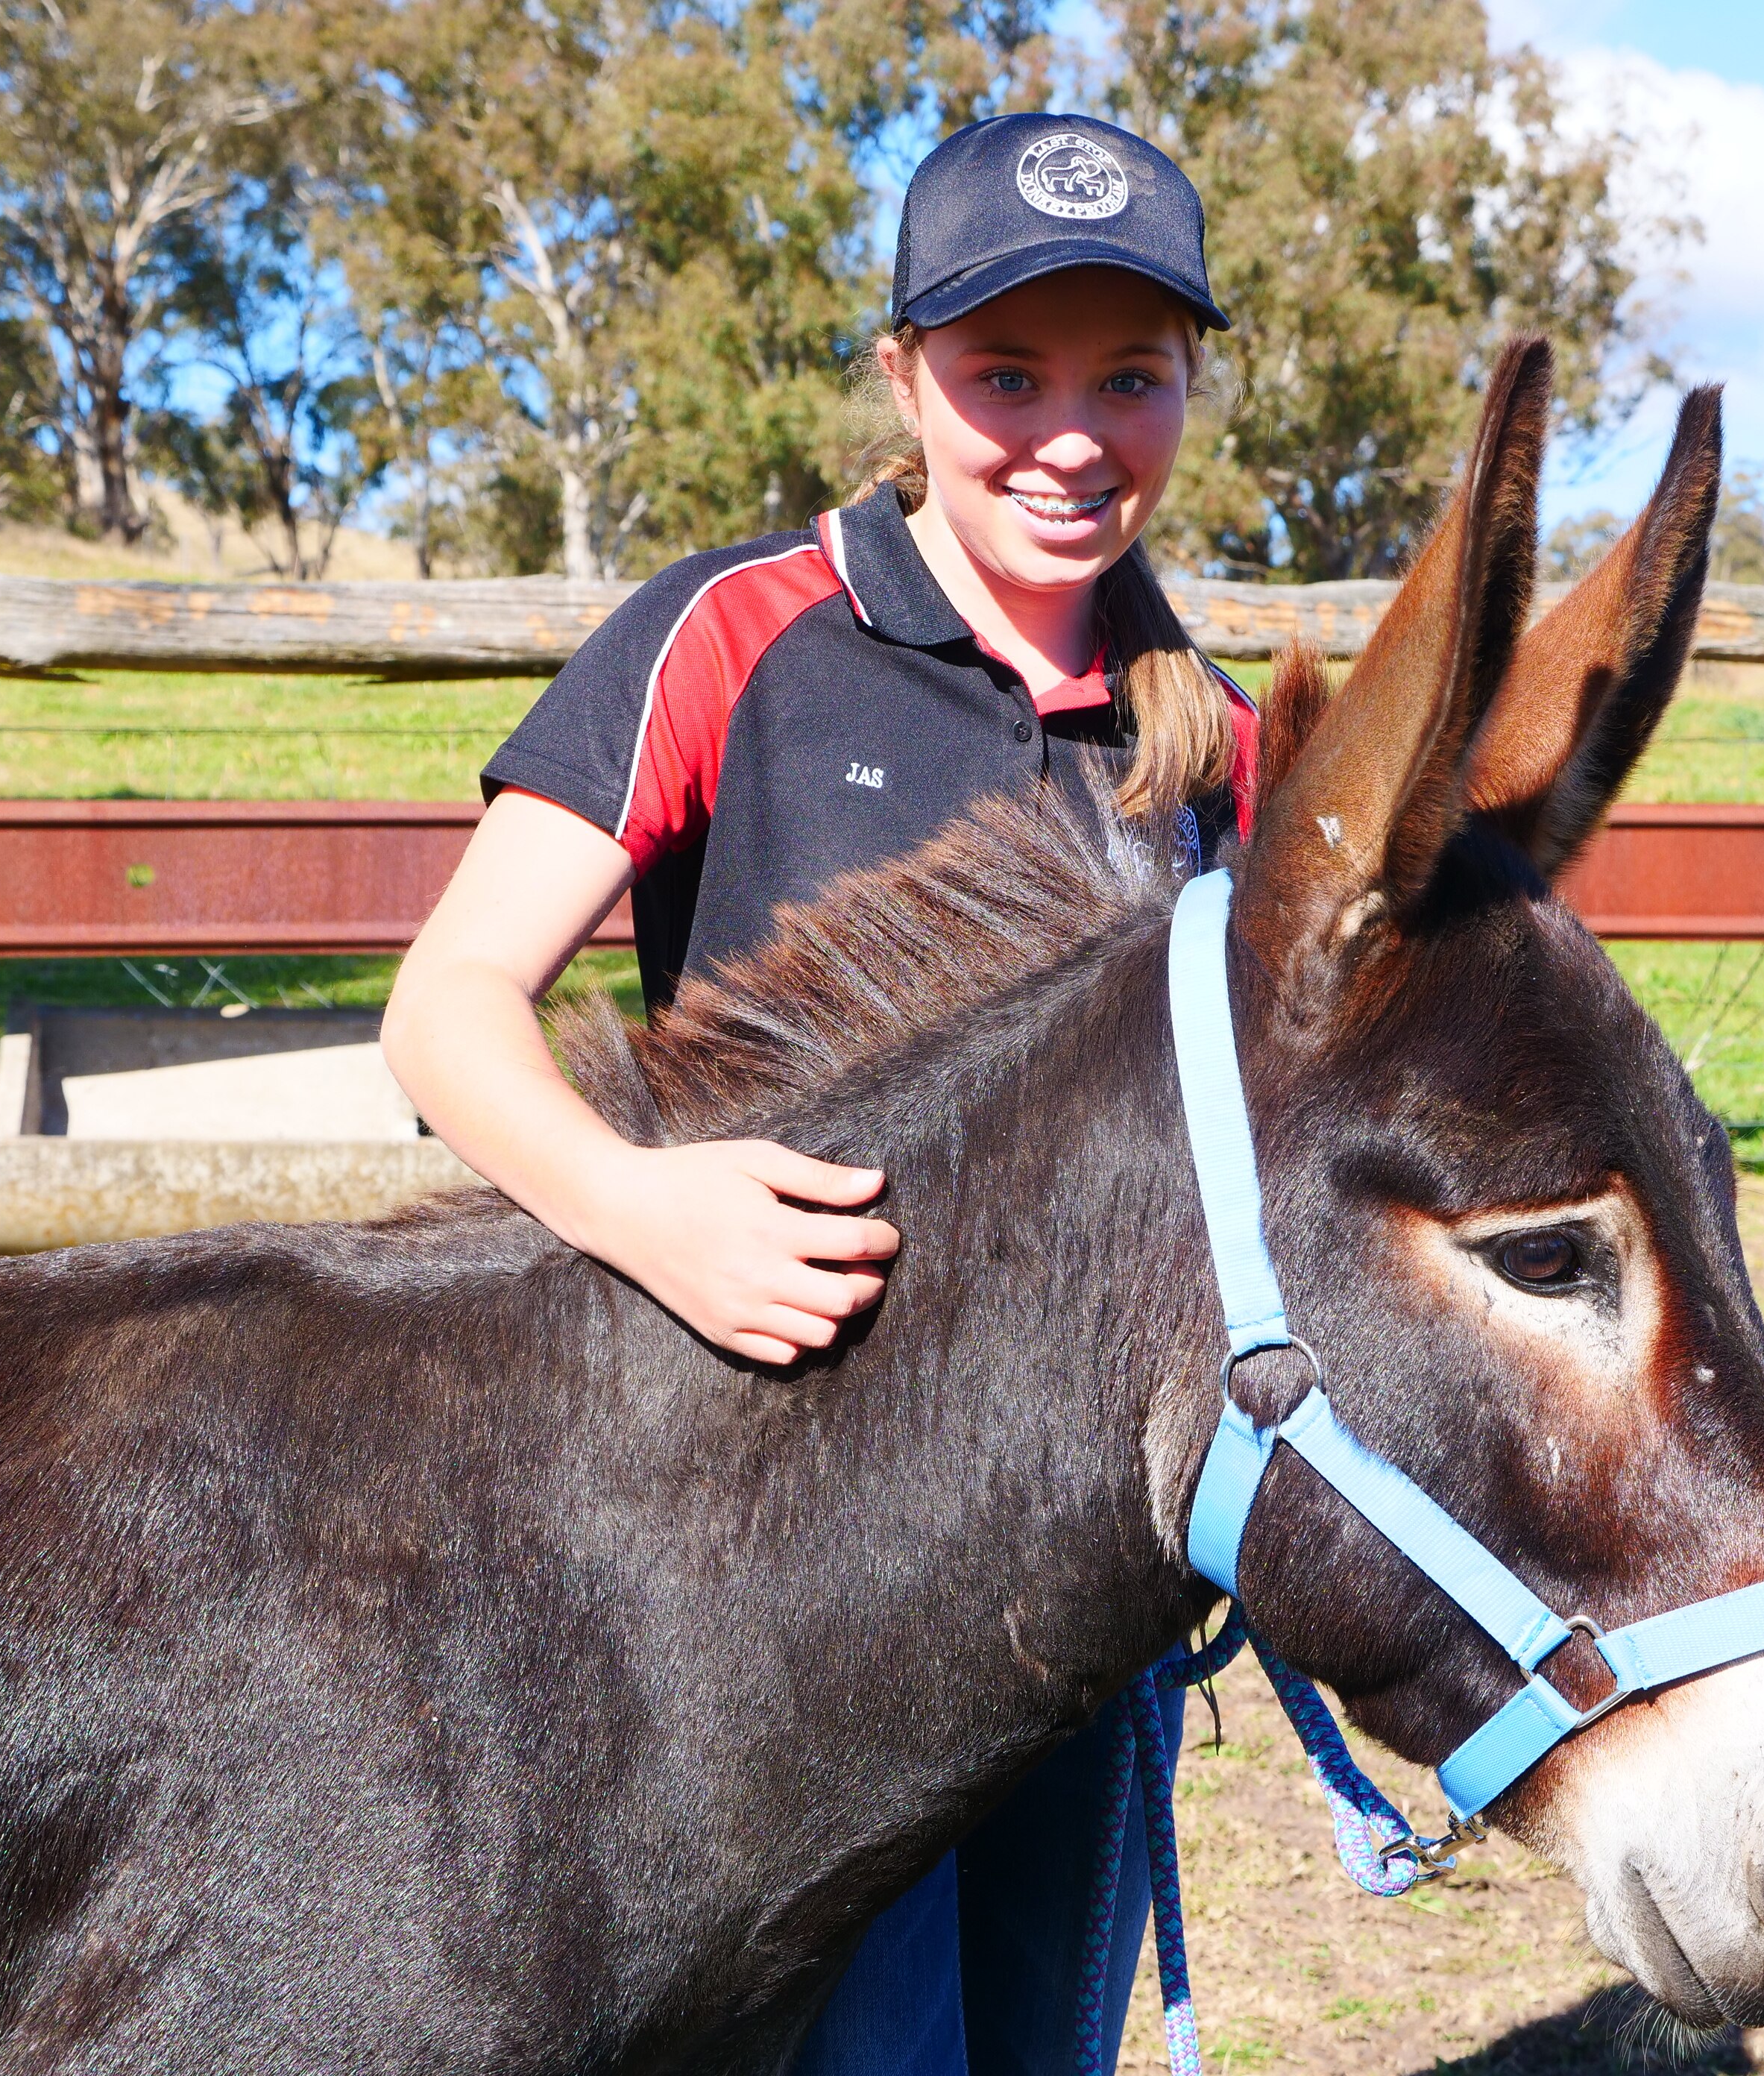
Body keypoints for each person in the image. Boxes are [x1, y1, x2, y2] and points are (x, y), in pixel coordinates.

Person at [380, 112, 1256, 2075]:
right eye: (1003, 374)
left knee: (1043, 2046)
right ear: (902, 377)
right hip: (761, 1557)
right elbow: (447, 1011)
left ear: (1190, 384)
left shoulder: (1215, 739)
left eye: (1132, 376)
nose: (1069, 434)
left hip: (1079, 1580)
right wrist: (641, 1208)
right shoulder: (737, 633)